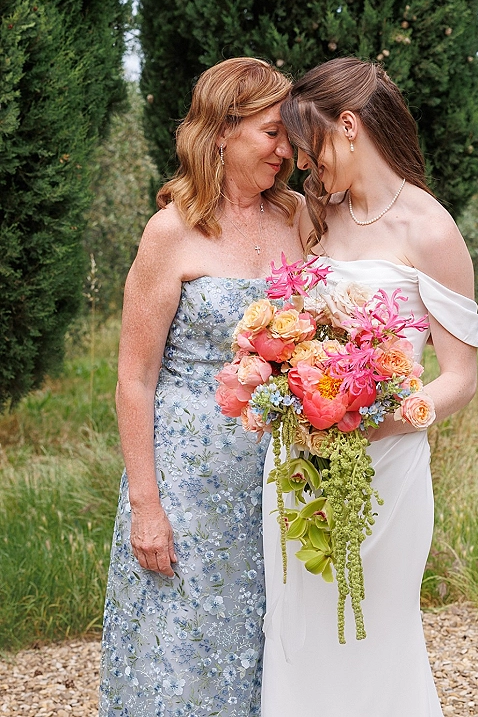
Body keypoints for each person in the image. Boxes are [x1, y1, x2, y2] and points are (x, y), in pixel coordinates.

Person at [261, 57, 478, 717]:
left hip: (384, 470)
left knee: (376, 634)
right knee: (298, 637)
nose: (306, 168)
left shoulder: (431, 230)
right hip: (298, 469)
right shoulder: (317, 218)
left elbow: (461, 379)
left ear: (349, 126)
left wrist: (373, 419)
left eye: (311, 150)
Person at [99, 58, 304, 717]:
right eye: (272, 133)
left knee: (264, 654)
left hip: (275, 479)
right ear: (221, 131)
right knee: (180, 658)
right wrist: (146, 507)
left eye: (290, 135)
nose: (286, 149)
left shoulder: (299, 219)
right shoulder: (171, 231)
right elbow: (134, 377)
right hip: (185, 484)